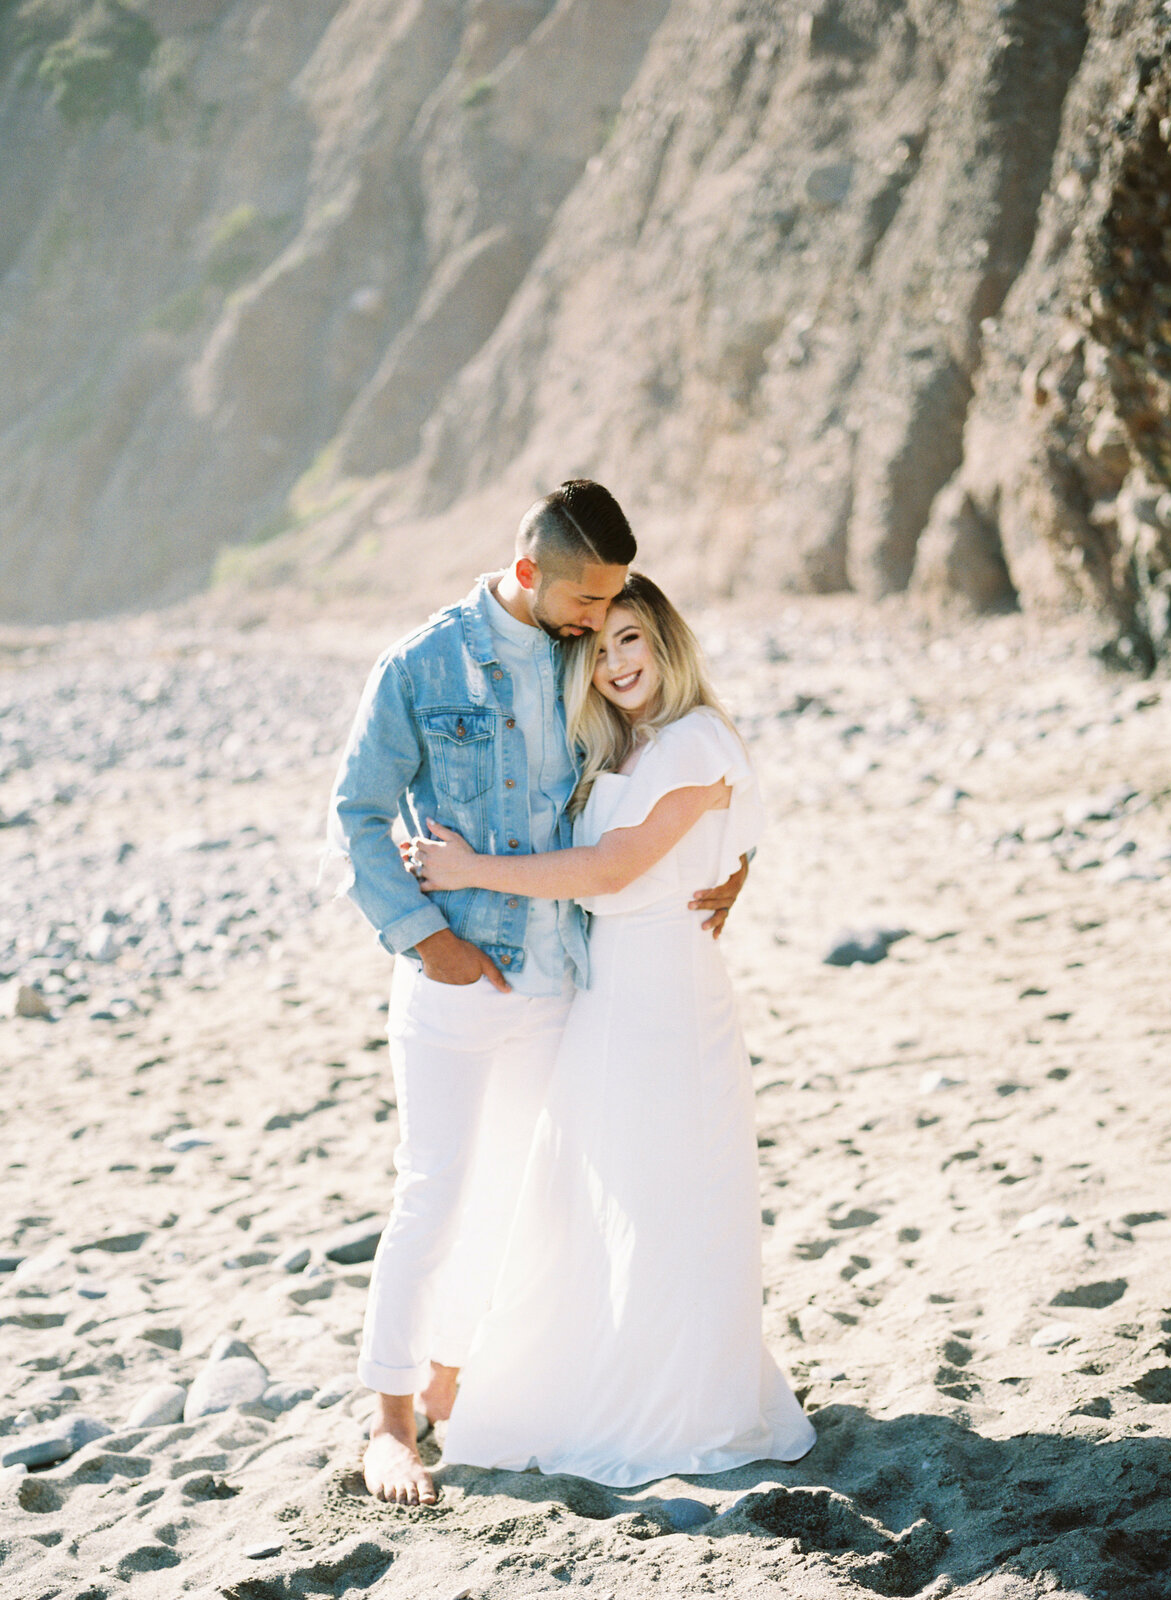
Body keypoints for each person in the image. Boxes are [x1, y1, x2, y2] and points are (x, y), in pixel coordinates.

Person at [326, 484, 748, 1506]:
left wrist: (729, 861)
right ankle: (387, 1424)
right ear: (529, 574)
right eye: (589, 600)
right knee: (433, 1194)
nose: (603, 622)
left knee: (520, 1208)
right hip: (457, 983)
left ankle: (454, 1390)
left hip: (568, 985)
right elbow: (356, 809)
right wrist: (429, 940)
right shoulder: (421, 665)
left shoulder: (582, 653)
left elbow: (662, 771)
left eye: (613, 606)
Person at [412, 573, 816, 1486]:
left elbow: (610, 867)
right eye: (597, 652)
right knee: (597, 1202)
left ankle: (684, 1403)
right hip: (609, 995)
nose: (616, 664)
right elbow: (708, 841)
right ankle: (591, 1380)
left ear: (665, 641)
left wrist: (469, 870)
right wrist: (733, 868)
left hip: (669, 995)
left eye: (630, 640)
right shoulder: (624, 749)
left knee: (674, 1200)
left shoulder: (697, 738)